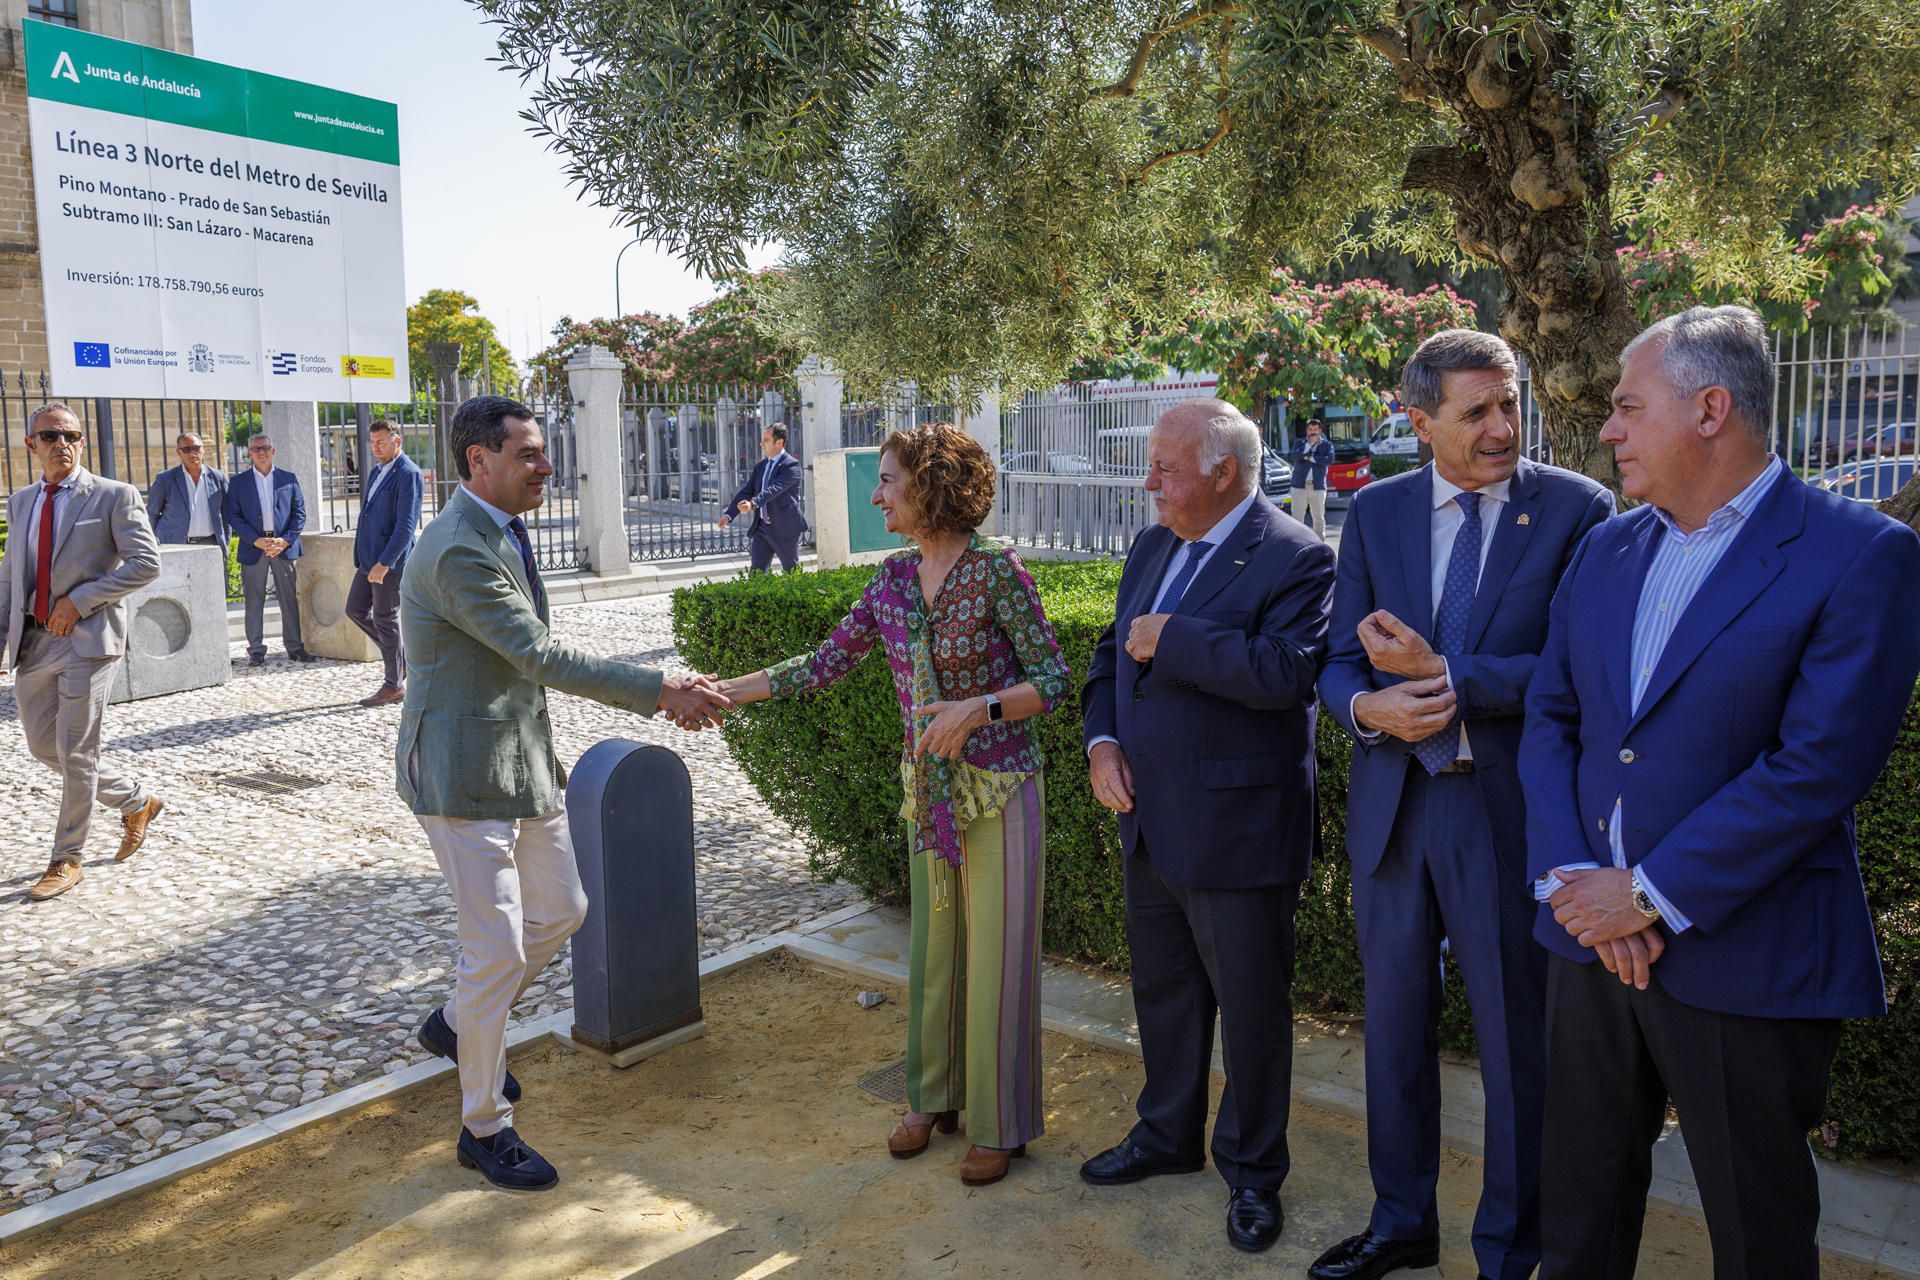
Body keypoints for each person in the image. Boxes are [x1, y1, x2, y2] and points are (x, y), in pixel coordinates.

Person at [1523, 306, 1920, 1279]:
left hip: (1749, 954)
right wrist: (1582, 882)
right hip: (1585, 942)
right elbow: (1551, 720)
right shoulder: (1604, 549)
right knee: (1575, 1217)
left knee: (1759, 1236)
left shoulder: (1860, 552)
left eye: (1626, 407)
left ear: (1710, 408)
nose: (1607, 428)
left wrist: (1648, 890)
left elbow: (1819, 762)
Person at [1312, 331, 1612, 1280]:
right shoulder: (1378, 513)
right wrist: (1368, 705)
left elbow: (1578, 670)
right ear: (1420, 419)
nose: (1503, 427)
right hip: (1396, 812)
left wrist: (1447, 676)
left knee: (1519, 1046)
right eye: (1476, 410)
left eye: (1510, 402)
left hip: (1505, 813)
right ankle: (1402, 1223)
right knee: (1394, 1033)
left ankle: (1510, 1249)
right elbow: (1335, 662)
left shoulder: (1576, 509)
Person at [716, 421, 1069, 1188]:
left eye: (886, 481)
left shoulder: (998, 572)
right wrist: (726, 692)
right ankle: (932, 1098)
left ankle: (1000, 1123)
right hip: (930, 795)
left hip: (1002, 786)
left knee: (1000, 957)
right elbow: (824, 663)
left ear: (931, 486)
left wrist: (977, 708)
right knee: (934, 951)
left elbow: (1052, 679)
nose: (876, 494)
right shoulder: (891, 583)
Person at [398, 394, 733, 1192]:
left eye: (545, 451)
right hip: (458, 775)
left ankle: (454, 1026)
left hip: (523, 765)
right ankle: (484, 1126)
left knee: (564, 910)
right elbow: (538, 654)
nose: (547, 465)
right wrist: (661, 688)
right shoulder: (457, 551)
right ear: (478, 461)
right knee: (498, 949)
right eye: (529, 453)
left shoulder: (500, 530)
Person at [1079, 399, 1334, 1254]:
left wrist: (1175, 637)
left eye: (1165, 467)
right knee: (1164, 994)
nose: (1148, 482)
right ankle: (1166, 1136)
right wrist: (1103, 742)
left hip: (1239, 829)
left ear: (1223, 472)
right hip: (1147, 820)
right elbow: (1110, 655)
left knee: (1253, 1015)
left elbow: (1288, 674)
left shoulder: (1298, 557)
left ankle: (1255, 1175)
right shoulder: (1154, 544)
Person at [1, 404, 165, 902]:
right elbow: (10, 576)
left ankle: (66, 857)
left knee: (76, 751)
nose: (62, 444)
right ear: (32, 445)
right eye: (50, 435)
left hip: (89, 640)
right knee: (42, 747)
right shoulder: (23, 500)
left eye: (71, 435)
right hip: (34, 639)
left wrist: (80, 600)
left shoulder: (115, 495)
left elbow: (145, 563)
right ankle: (136, 800)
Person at [348, 419, 424, 707]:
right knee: (354, 609)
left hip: (389, 561)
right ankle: (400, 660)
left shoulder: (409, 474)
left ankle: (394, 685)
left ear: (397, 442)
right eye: (372, 442)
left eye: (382, 441)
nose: (376, 447)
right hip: (368, 559)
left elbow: (405, 526)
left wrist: (385, 563)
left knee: (384, 617)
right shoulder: (376, 471)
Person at [224, 434, 312, 666]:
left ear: (273, 451)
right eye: (255, 449)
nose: (261, 452)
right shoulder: (238, 482)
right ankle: (255, 650)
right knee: (253, 601)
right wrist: (255, 540)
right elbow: (233, 515)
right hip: (255, 548)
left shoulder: (288, 479)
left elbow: (299, 513)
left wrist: (286, 540)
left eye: (265, 448)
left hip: (283, 548)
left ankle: (294, 647)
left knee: (289, 600)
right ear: (249, 453)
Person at [718, 422, 808, 571]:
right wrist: (729, 514)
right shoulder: (761, 466)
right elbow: (746, 491)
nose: (761, 443)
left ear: (779, 443)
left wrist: (753, 504)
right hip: (763, 529)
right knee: (756, 574)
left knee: (792, 572)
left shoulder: (791, 466)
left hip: (785, 529)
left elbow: (773, 490)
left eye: (766, 440)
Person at [146, 432, 230, 553]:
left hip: (210, 544)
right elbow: (152, 513)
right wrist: (152, 542)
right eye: (186, 449)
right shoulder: (165, 479)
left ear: (203, 449)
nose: (192, 453)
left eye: (196, 448)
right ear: (178, 452)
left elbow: (227, 513)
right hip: (173, 544)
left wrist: (224, 542)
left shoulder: (218, 477)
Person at [1289, 419, 1334, 539]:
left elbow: (1329, 459)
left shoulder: (1327, 445)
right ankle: (1296, 541)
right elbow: (1295, 456)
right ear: (1307, 431)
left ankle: (1320, 542)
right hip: (1299, 486)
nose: (1313, 432)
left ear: (1320, 430)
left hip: (1318, 487)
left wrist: (1311, 458)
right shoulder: (1300, 443)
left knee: (1318, 516)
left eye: (1315, 430)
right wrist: (1309, 446)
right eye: (1310, 430)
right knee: (1297, 517)